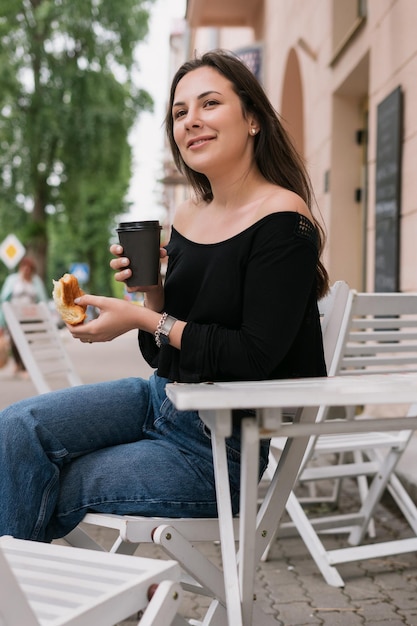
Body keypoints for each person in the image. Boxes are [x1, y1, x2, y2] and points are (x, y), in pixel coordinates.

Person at [0, 49, 329, 542]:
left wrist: (138, 317)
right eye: (180, 112)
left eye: (209, 104)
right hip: (159, 399)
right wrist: (153, 293)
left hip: (220, 450)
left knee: (48, 481)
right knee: (15, 429)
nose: (191, 120)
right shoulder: (190, 218)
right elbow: (160, 351)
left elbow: (254, 355)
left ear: (254, 118)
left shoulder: (285, 219)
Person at [0, 256, 48, 375]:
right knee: (15, 342)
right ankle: (17, 363)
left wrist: (44, 317)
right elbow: (4, 300)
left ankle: (25, 367)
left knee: (27, 342)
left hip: (30, 317)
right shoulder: (13, 280)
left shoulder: (36, 281)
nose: (26, 270)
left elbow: (42, 300)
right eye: (24, 267)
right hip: (13, 316)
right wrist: (2, 320)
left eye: (29, 268)